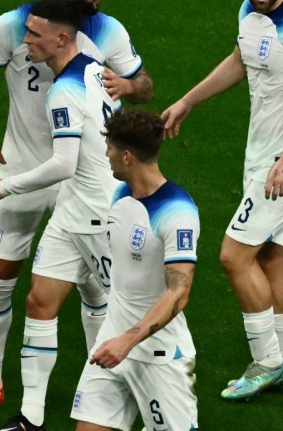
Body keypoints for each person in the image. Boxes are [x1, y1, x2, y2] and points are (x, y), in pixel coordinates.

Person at [0, 0, 151, 417]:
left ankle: (104, 393)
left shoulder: (108, 31)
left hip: (83, 177)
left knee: (96, 290)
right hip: (24, 165)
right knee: (0, 274)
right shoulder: (16, 26)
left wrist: (128, 86)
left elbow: (143, 83)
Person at [162, 0, 283, 399]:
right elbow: (242, 59)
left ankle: (268, 361)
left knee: (234, 255)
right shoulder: (250, 13)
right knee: (273, 254)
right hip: (263, 156)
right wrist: (188, 101)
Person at [0, 0, 123, 431]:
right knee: (39, 302)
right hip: (71, 212)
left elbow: (63, 164)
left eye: (34, 35)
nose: (25, 42)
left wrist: (2, 186)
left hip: (99, 214)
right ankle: (32, 419)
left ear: (62, 38)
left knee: (129, 313)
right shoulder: (96, 72)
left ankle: (132, 403)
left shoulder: (63, 90)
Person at [71, 109, 199, 431]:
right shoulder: (120, 195)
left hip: (159, 357)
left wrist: (127, 341)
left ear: (127, 157)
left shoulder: (178, 212)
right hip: (110, 347)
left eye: (110, 148)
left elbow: (179, 292)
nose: (106, 154)